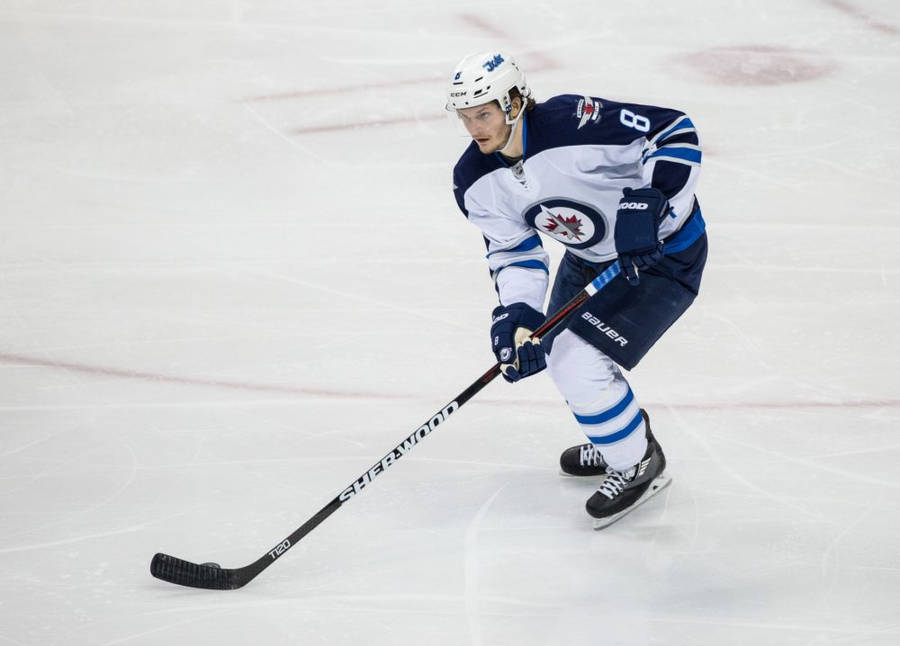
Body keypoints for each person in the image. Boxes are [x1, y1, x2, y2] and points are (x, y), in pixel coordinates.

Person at [447, 51, 708, 528]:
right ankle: (618, 437)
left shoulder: (573, 123)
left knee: (574, 358)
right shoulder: (474, 180)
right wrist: (519, 310)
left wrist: (651, 201)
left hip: (664, 254)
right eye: (465, 117)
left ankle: (638, 464)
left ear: (514, 102)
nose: (474, 128)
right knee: (548, 349)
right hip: (589, 260)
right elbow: (513, 252)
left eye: (483, 113)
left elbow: (674, 131)